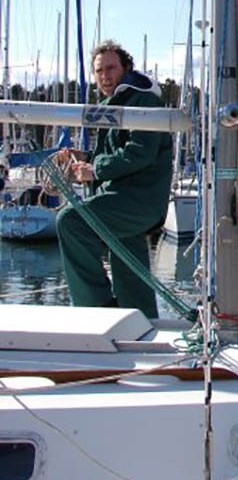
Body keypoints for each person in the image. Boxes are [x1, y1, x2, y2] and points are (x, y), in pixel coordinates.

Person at [56, 40, 172, 318]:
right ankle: (142, 319)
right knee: (128, 261)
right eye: (99, 71)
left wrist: (95, 169)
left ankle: (97, 309)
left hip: (137, 200)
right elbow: (113, 153)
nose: (105, 76)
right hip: (124, 200)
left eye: (111, 68)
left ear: (126, 68)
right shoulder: (114, 104)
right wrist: (82, 158)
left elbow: (140, 152)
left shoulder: (143, 102)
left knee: (70, 221)